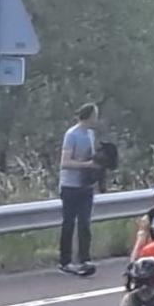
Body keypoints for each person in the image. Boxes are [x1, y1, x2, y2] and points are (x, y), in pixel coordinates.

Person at [58, 103, 100, 276]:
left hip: (86, 186)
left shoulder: (91, 134)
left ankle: (84, 259)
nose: (97, 119)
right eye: (95, 115)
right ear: (89, 116)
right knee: (68, 223)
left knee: (85, 223)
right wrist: (86, 165)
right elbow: (65, 163)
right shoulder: (71, 134)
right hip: (70, 186)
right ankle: (65, 260)